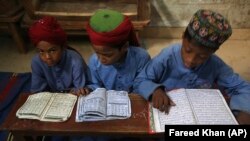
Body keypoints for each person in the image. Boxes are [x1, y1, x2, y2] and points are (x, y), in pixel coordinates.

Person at [134, 9, 250, 124]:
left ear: (213, 52)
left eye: (202, 56)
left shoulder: (215, 64)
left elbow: (243, 88)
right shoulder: (167, 57)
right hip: (169, 116)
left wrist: (245, 112)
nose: (191, 60)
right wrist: (155, 90)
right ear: (183, 37)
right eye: (187, 50)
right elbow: (141, 80)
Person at [86, 9, 150, 93]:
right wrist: (89, 89)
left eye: (108, 55)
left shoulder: (141, 58)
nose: (101, 59)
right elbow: (94, 85)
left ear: (125, 47)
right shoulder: (94, 61)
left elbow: (144, 84)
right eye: (97, 53)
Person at [29, 16, 90, 96]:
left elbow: (80, 89)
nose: (47, 57)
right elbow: (37, 91)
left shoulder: (75, 61)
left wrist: (77, 91)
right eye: (41, 51)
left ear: (63, 46)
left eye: (52, 50)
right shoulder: (36, 62)